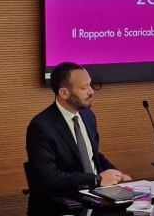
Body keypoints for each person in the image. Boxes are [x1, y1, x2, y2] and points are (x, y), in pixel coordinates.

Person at [26, 61, 129, 198]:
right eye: (84, 88)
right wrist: (96, 180)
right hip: (65, 200)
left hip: (99, 194)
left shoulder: (88, 116)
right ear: (64, 93)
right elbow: (49, 176)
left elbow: (93, 155)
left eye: (90, 85)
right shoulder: (41, 126)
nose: (91, 92)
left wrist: (117, 174)